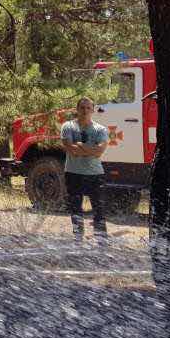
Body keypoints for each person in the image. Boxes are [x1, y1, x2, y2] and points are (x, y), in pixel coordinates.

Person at [61, 96, 110, 244]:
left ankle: (101, 241)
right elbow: (70, 149)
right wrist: (90, 149)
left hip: (95, 174)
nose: (85, 111)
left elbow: (99, 152)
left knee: (99, 210)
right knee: (76, 209)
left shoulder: (100, 129)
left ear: (93, 110)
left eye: (88, 108)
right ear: (77, 109)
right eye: (82, 108)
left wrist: (80, 145)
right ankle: (77, 240)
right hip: (73, 173)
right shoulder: (68, 126)